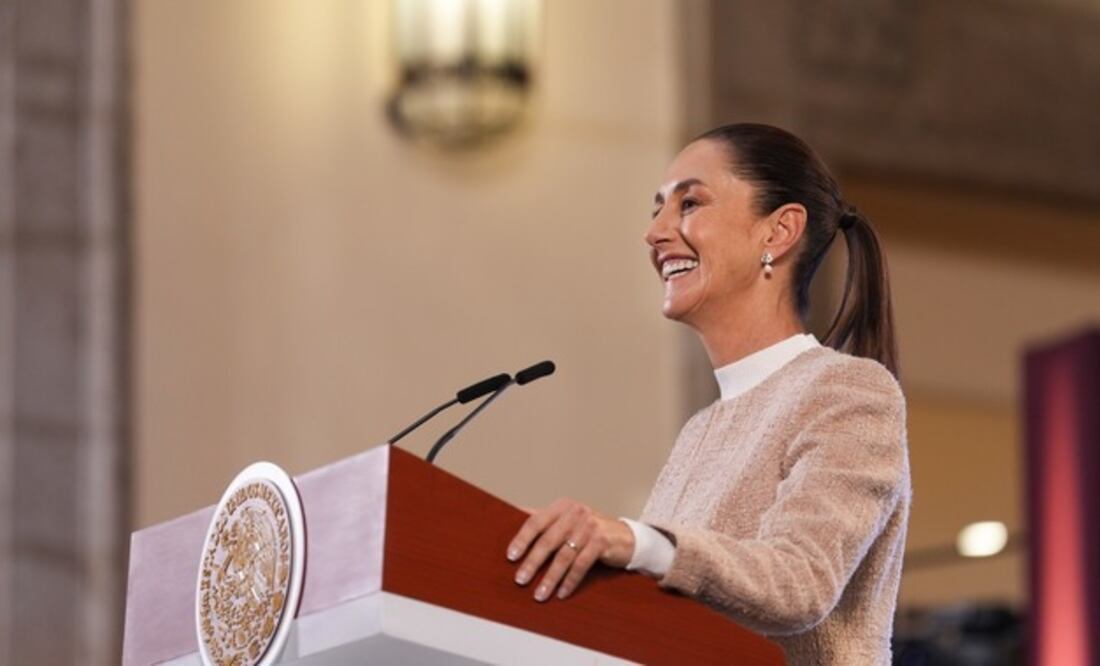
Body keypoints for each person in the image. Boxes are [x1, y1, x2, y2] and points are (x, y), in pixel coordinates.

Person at [505, 123, 911, 664]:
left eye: (689, 203)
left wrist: (632, 541)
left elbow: (799, 583)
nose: (656, 233)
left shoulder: (849, 391)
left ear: (779, 231)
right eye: (656, 210)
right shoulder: (700, 430)